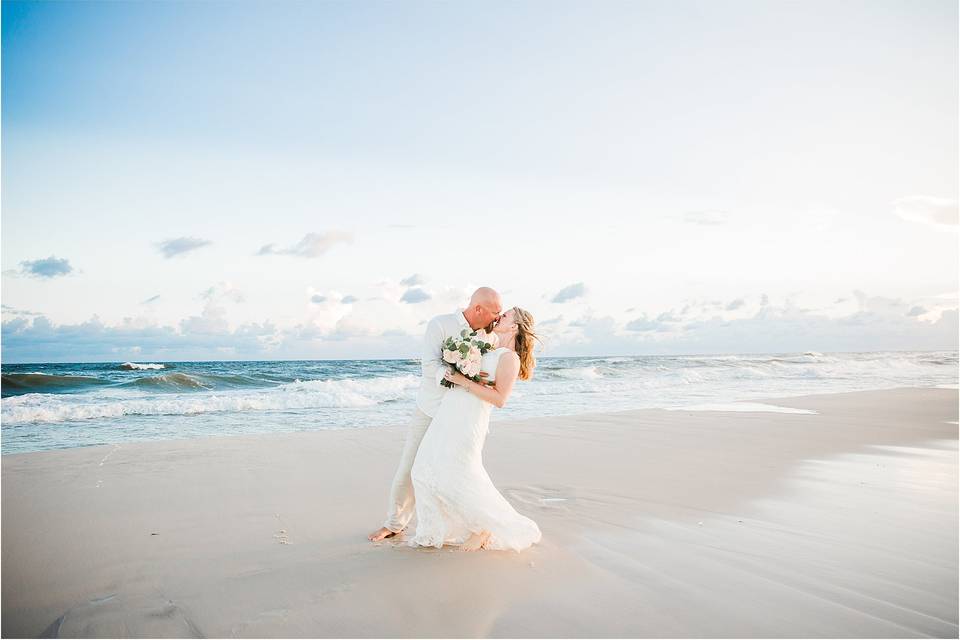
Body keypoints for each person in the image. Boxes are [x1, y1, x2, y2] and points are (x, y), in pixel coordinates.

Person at [367, 287, 503, 542]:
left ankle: (474, 525)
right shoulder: (440, 325)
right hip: (431, 408)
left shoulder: (491, 337)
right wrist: (458, 374)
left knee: (461, 469)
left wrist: (477, 380)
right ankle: (394, 523)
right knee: (409, 466)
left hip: (462, 414)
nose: (498, 318)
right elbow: (429, 365)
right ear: (478, 309)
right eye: (495, 313)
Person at [407, 307, 542, 552]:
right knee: (422, 469)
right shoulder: (486, 347)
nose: (500, 316)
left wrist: (464, 381)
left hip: (469, 419)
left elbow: (500, 398)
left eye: (507, 315)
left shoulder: (509, 358)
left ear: (514, 327)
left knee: (461, 471)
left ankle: (483, 527)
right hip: (450, 412)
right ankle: (436, 529)